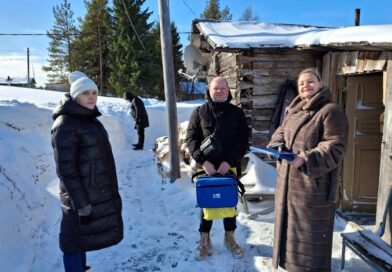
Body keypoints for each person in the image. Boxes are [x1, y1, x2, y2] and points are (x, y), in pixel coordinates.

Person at [268, 68, 348, 272]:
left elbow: (334, 146)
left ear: (320, 83)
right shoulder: (294, 111)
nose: (305, 85)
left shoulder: (330, 111)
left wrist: (306, 158)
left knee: (309, 242)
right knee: (290, 238)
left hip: (313, 188)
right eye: (302, 82)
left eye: (310, 81)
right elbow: (280, 131)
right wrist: (278, 145)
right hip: (287, 185)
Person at [51, 71, 123, 272]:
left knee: (80, 240)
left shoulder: (89, 119)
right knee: (73, 242)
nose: (92, 97)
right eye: (86, 93)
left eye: (94, 92)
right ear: (75, 96)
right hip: (78, 198)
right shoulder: (65, 124)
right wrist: (81, 204)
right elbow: (66, 170)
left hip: (90, 193)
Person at [186, 76, 249, 260]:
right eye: (216, 88)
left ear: (228, 91)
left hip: (229, 167)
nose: (220, 91)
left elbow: (243, 141)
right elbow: (191, 139)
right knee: (207, 205)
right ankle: (204, 240)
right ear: (209, 90)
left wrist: (228, 162)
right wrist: (202, 161)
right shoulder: (199, 112)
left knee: (229, 204)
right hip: (205, 168)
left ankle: (230, 239)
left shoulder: (237, 113)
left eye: (223, 88)